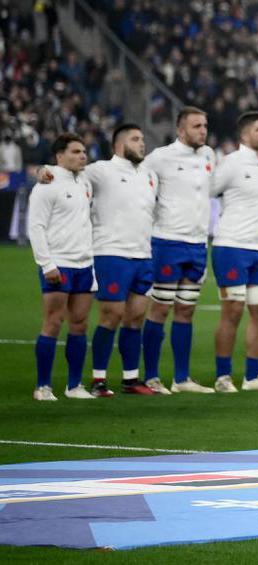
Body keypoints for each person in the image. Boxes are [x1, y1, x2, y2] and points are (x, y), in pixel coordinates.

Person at [142, 106, 217, 394]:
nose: (203, 131)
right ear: (180, 130)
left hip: (197, 245)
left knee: (186, 311)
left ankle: (182, 379)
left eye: (205, 126)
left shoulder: (209, 155)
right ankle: (151, 377)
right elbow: (137, 183)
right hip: (167, 242)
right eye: (197, 126)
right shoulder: (160, 157)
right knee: (160, 309)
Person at [210, 111, 258, 392]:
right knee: (232, 311)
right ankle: (223, 377)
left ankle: (253, 377)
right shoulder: (230, 163)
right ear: (244, 135)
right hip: (231, 246)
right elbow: (206, 191)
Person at [85, 124, 159, 396]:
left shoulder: (149, 175)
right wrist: (44, 172)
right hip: (111, 253)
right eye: (135, 139)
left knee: (136, 317)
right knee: (111, 315)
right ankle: (98, 380)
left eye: (142, 139)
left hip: (143, 255)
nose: (142, 143)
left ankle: (130, 379)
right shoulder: (101, 170)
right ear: (119, 145)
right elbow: (68, 174)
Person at [28, 133, 95, 400]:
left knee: (79, 324)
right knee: (53, 323)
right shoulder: (47, 184)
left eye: (84, 151)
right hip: (59, 264)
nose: (82, 156)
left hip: (84, 264)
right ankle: (43, 387)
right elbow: (36, 227)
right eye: (76, 152)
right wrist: (46, 264)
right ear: (59, 156)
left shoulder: (85, 180)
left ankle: (74, 385)